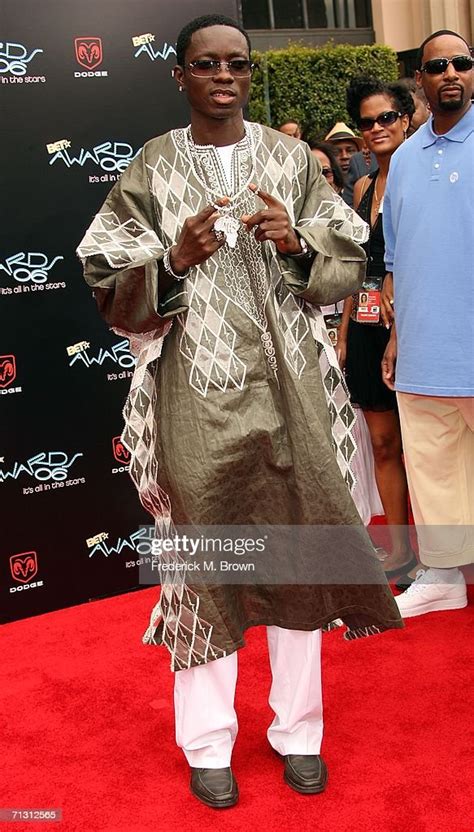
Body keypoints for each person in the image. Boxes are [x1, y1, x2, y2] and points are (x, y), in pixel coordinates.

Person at [78, 14, 402, 808]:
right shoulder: (153, 166)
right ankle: (208, 742)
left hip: (292, 387)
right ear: (180, 75)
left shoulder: (292, 160)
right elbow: (106, 281)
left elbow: (348, 260)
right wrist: (175, 259)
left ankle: (300, 733)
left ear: (250, 75)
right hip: (193, 392)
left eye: (238, 64)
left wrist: (295, 242)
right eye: (206, 64)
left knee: (297, 552)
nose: (225, 76)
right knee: (203, 563)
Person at [381, 29, 473, 617]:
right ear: (419, 80)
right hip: (422, 349)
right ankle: (442, 574)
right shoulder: (405, 158)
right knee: (433, 468)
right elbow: (396, 259)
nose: (449, 73)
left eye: (461, 63)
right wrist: (396, 337)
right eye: (435, 65)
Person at [337, 77, 417, 580]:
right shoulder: (363, 186)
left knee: (430, 444)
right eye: (367, 122)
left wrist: (400, 322)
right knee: (384, 443)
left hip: (413, 324)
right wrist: (344, 332)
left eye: (386, 117)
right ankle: (403, 551)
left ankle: (447, 552)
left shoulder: (422, 176)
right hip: (367, 327)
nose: (376, 128)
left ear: (407, 119)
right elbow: (355, 264)